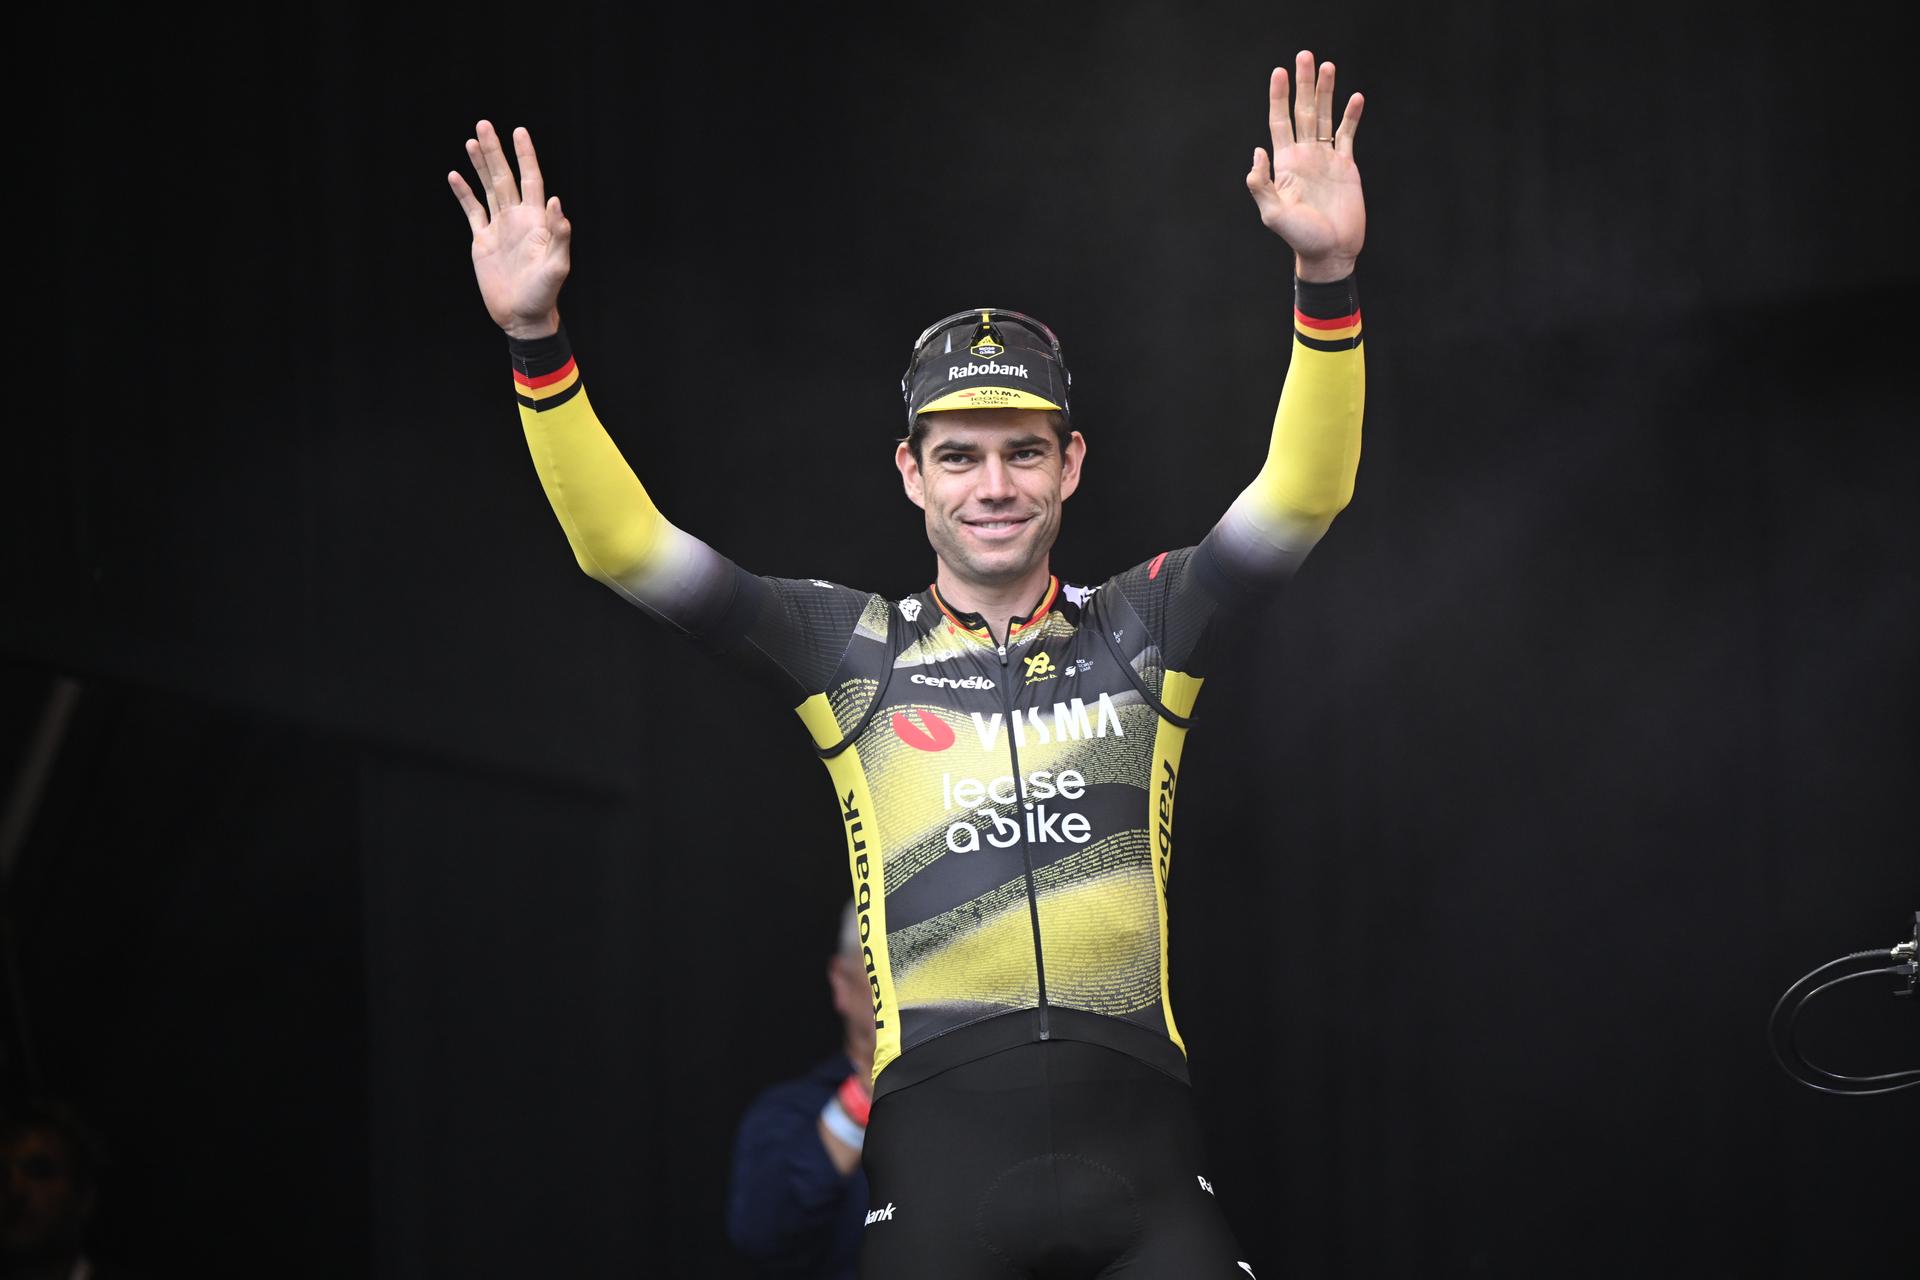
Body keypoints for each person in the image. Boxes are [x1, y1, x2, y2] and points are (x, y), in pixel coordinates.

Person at [450, 49, 1365, 1278]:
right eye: (961, 454)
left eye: (1023, 452)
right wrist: (535, 339)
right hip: (939, 1158)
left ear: (1073, 462)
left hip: (1145, 1153)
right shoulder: (850, 653)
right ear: (911, 473)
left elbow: (1305, 494)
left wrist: (1325, 273)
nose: (994, 485)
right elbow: (622, 548)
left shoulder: (1147, 626)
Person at [725, 902, 875, 1278]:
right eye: (884, 964)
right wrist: (866, 1094)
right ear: (843, 982)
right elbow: (764, 1235)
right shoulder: (790, 1112)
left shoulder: (984, 1091)